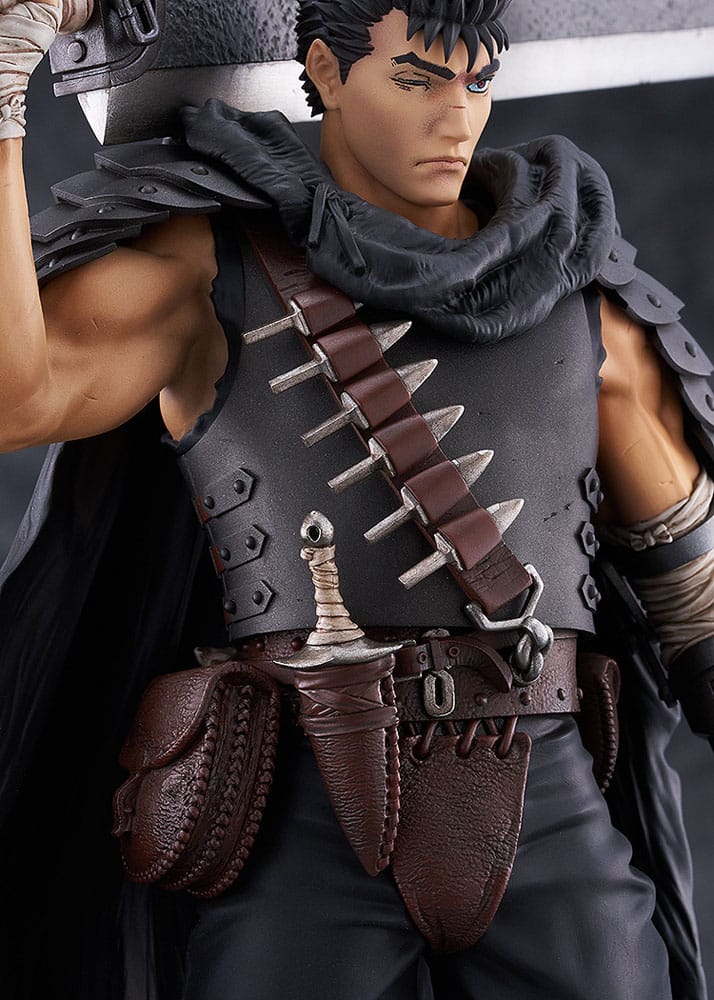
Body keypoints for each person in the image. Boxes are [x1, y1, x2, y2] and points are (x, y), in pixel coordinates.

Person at [0, 0, 712, 997]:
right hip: (304, 800)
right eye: (415, 79)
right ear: (328, 74)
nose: (455, 117)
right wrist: (5, 87)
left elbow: (696, 598)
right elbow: (17, 394)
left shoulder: (580, 296)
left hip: (548, 798)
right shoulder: (210, 270)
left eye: (476, 82)